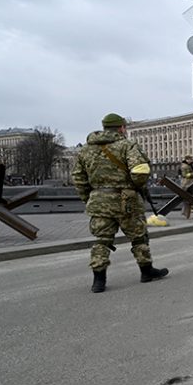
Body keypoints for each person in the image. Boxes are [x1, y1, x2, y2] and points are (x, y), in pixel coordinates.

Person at [72, 113, 169, 292]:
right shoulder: (127, 145)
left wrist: (90, 198)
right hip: (127, 201)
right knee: (139, 237)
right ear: (122, 128)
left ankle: (98, 281)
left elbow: (78, 178)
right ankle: (146, 271)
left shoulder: (85, 150)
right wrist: (135, 187)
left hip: (99, 201)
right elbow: (140, 172)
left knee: (102, 240)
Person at [179, 155, 193, 219]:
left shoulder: (188, 165)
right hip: (186, 183)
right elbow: (185, 175)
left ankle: (185, 211)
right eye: (190, 159)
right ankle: (186, 211)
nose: (192, 160)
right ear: (187, 159)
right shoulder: (185, 166)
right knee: (188, 197)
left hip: (189, 183)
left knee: (187, 198)